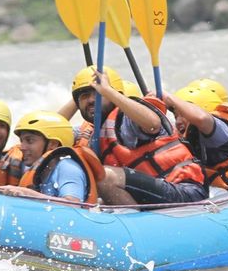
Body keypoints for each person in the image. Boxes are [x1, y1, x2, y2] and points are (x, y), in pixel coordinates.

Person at [81, 67, 208, 206]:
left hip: (185, 189)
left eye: (96, 93)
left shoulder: (127, 118)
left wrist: (107, 90)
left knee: (105, 176)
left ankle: (133, 223)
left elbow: (153, 124)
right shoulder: (93, 136)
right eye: (83, 96)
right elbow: (54, 134)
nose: (91, 100)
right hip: (153, 194)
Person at [0, 111, 104, 203]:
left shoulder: (67, 167)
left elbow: (73, 205)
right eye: (22, 141)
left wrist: (25, 193)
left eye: (29, 141)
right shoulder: (42, 169)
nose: (22, 147)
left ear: (53, 144)